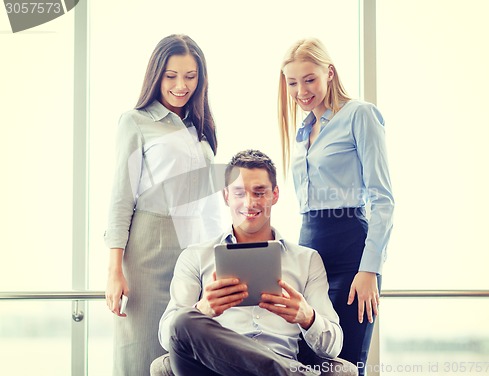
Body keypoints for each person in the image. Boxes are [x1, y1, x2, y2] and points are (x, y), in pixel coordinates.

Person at [152, 150, 358, 376]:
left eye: (259, 193)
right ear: (226, 196)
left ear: (275, 195)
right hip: (213, 369)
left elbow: (334, 345)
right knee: (183, 320)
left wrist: (308, 317)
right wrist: (203, 309)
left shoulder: (307, 260)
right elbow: (167, 336)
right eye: (239, 193)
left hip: (282, 357)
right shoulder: (194, 257)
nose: (249, 203)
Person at [104, 34, 222, 376]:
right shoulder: (135, 121)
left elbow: (210, 201)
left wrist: (219, 259)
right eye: (171, 76)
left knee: (185, 356)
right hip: (148, 253)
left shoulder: (199, 127)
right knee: (141, 352)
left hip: (195, 254)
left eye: (190, 76)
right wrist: (114, 270)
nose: (181, 85)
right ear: (156, 75)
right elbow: (120, 197)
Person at [278, 38, 395, 375]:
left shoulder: (360, 114)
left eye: (310, 79)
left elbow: (383, 200)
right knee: (307, 362)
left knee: (343, 363)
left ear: (329, 73)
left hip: (350, 252)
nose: (301, 90)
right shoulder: (305, 130)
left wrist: (369, 268)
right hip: (309, 254)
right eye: (292, 82)